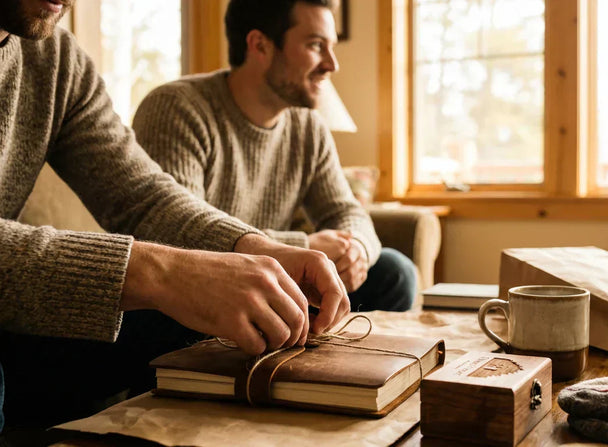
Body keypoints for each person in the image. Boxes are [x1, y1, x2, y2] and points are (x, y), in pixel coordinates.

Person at [0, 0, 350, 431]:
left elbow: (142, 196)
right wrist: (162, 273)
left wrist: (256, 248)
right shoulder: (181, 105)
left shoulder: (56, 57)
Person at [132, 0, 417, 313]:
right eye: (315, 45)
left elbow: (348, 212)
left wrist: (356, 250)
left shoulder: (308, 126)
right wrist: (299, 248)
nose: (331, 64)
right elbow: (175, 241)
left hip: (277, 281)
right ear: (260, 45)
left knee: (395, 273)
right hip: (198, 292)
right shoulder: (177, 107)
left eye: (330, 47)